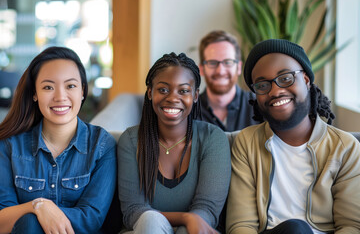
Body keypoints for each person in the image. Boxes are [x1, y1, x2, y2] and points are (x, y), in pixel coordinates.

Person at [226, 39, 360, 234]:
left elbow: (351, 225)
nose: (276, 91)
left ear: (305, 80)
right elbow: (241, 225)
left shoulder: (345, 147)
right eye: (262, 85)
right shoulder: (246, 144)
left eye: (286, 78)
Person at [0, 46, 117, 234]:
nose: (60, 97)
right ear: (35, 94)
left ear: (82, 91)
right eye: (48, 87)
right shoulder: (9, 146)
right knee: (29, 222)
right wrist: (38, 206)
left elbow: (91, 219)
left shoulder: (101, 145)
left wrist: (44, 213)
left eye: (70, 86)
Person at [117, 52, 231, 234]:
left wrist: (189, 223)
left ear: (195, 96)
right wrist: (186, 217)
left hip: (195, 231)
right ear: (149, 93)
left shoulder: (212, 138)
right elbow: (133, 211)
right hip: (145, 230)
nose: (172, 97)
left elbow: (207, 210)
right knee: (150, 220)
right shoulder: (131, 141)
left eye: (183, 91)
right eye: (163, 89)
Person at [198, 30, 259, 132]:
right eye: (212, 63)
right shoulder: (188, 113)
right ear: (201, 69)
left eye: (228, 62)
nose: (220, 71)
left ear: (239, 67)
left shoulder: (259, 107)